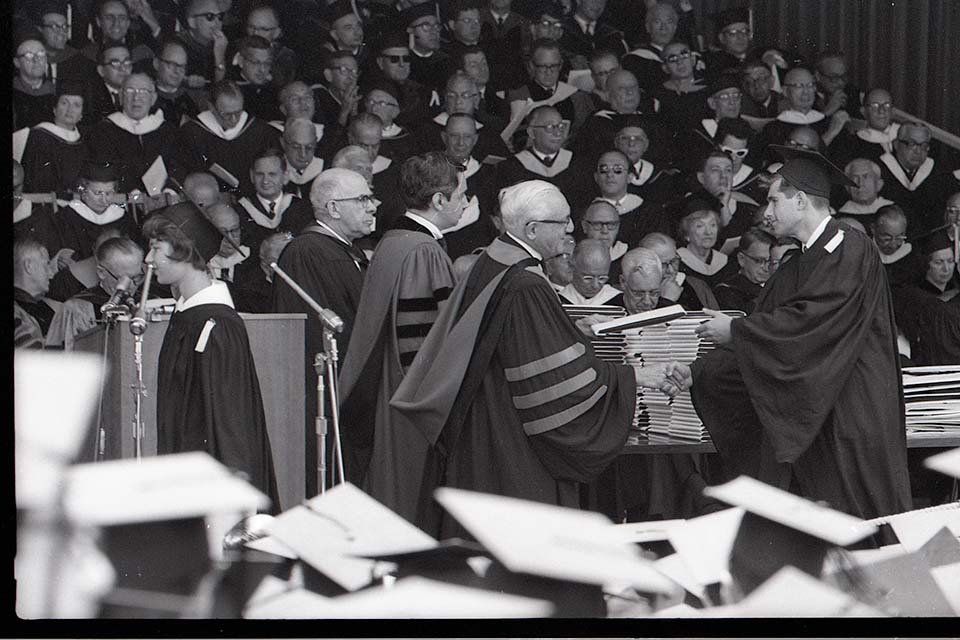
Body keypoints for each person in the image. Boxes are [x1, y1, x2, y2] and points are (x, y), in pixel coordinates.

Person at [389, 180, 691, 537]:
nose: (570, 230)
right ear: (532, 229)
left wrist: (575, 330)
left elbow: (519, 344)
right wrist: (635, 377)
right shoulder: (526, 284)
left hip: (483, 422)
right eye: (562, 222)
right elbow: (553, 381)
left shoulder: (494, 260)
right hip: (509, 440)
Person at [690, 147, 912, 523]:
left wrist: (736, 330)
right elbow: (769, 325)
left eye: (774, 200)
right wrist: (696, 371)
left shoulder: (848, 244)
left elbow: (811, 324)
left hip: (850, 410)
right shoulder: (798, 262)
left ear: (800, 199)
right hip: (816, 411)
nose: (767, 212)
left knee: (859, 524)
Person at [340, 152, 463, 521]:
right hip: (410, 402)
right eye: (462, 195)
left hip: (385, 394)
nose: (466, 204)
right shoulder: (423, 252)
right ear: (440, 200)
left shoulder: (393, 242)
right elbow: (425, 343)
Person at [144, 202, 278, 503]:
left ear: (186, 252)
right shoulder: (188, 317)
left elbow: (231, 427)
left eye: (156, 248)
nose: (148, 259)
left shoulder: (217, 325)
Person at [272, 168, 376, 495]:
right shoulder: (309, 252)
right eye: (362, 199)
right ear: (333, 209)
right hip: (332, 401)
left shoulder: (343, 249)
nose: (373, 206)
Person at [88, 73, 186, 194]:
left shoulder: (167, 130)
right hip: (123, 201)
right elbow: (106, 169)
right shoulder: (104, 130)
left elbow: (178, 166)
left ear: (153, 98)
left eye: (144, 91)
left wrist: (170, 190)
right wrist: (133, 193)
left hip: (166, 201)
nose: (136, 98)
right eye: (130, 91)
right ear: (121, 96)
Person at [180, 80, 281, 195]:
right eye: (227, 114)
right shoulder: (192, 132)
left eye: (238, 112)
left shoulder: (260, 131)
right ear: (211, 107)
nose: (234, 120)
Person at [45, 236, 145, 349]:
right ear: (101, 273)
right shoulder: (77, 309)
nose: (131, 286)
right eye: (123, 280)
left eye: (137, 277)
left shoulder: (149, 302)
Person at [878, 122, 955, 233]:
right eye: (911, 144)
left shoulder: (940, 172)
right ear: (896, 144)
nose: (918, 151)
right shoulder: (880, 171)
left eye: (924, 146)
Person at [21, 79, 89, 195]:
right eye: (64, 103)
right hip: (49, 204)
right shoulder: (40, 137)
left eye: (76, 105)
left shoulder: (84, 141)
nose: (70, 109)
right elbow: (37, 183)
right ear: (54, 109)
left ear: (81, 114)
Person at [713, 227, 775, 314]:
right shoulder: (727, 292)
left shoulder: (780, 286)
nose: (766, 268)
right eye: (759, 261)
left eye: (770, 261)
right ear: (741, 259)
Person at [14, 237, 60, 348]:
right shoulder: (16, 314)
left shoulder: (47, 305)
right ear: (29, 266)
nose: (51, 274)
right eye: (47, 265)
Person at [557, 238, 621, 305]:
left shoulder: (620, 300)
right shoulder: (558, 300)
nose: (595, 285)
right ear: (572, 268)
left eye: (602, 278)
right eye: (588, 278)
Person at [873, 204, 921, 289]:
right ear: (873, 229)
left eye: (899, 237)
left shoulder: (914, 255)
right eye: (887, 238)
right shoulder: (864, 254)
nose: (893, 245)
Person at [580, 199, 627, 281]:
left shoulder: (627, 257)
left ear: (618, 227)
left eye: (611, 224)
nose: (605, 231)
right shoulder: (575, 258)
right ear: (585, 226)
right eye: (597, 224)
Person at [280, 116, 325, 199]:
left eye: (309, 147)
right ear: (283, 143)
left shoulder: (326, 171)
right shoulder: (275, 172)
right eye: (296, 147)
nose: (303, 154)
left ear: (315, 142)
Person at [610, 247, 663, 314]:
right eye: (639, 294)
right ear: (623, 282)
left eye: (654, 293)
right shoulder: (606, 313)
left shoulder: (671, 312)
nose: (647, 302)